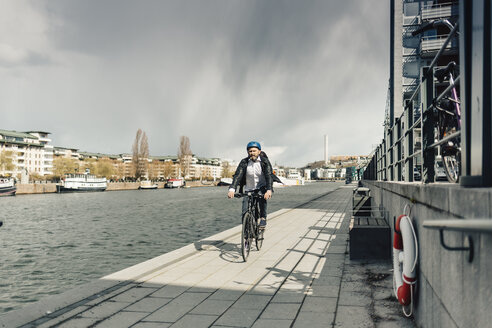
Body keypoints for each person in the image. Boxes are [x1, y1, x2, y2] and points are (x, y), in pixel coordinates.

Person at [227, 141, 273, 229]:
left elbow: (269, 175)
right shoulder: (244, 162)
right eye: (250, 151)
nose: (252, 153)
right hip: (249, 188)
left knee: (262, 199)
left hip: (262, 186)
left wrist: (269, 190)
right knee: (245, 210)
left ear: (259, 151)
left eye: (254, 151)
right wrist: (232, 189)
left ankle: (263, 218)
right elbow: (238, 175)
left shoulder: (264, 161)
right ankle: (247, 230)